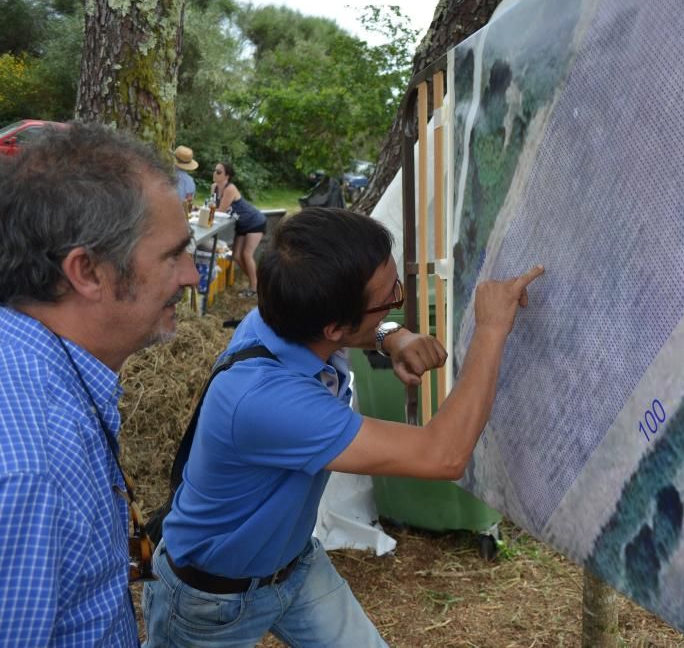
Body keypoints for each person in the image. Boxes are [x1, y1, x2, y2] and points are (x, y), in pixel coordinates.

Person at [143, 207, 544, 647]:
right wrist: (490, 328)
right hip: (212, 601)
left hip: (294, 567)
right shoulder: (268, 401)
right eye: (390, 298)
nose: (399, 299)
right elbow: (443, 454)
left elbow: (355, 332)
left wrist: (391, 335)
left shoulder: (281, 317)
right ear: (333, 327)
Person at [0, 123, 200, 645]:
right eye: (173, 255)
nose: (192, 277)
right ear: (86, 271)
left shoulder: (41, 372)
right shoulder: (30, 469)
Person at [211, 162, 267, 298]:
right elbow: (212, 206)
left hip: (254, 221)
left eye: (219, 172)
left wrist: (205, 211)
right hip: (242, 224)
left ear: (227, 176)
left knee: (246, 254)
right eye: (214, 170)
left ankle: (254, 289)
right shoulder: (213, 187)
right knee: (236, 256)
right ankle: (259, 283)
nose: (215, 173)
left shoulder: (230, 189)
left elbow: (220, 210)